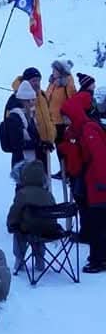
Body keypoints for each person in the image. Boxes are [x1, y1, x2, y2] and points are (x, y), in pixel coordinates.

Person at [60, 90, 106, 272]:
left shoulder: (88, 130)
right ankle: (98, 256)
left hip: (97, 183)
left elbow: (100, 157)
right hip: (90, 182)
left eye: (66, 117)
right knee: (95, 220)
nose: (64, 121)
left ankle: (99, 260)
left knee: (98, 222)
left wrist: (102, 182)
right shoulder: (77, 130)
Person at [7, 159, 58, 275]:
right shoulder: (48, 194)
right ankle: (40, 259)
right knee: (39, 226)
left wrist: (11, 225)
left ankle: (19, 259)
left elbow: (14, 213)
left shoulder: (22, 194)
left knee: (20, 231)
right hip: (49, 229)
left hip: (29, 229)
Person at [6, 68, 56, 155]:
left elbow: (50, 117)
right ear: (25, 82)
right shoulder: (15, 99)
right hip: (24, 152)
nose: (37, 83)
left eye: (38, 80)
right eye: (34, 81)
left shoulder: (43, 96)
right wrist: (38, 144)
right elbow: (10, 128)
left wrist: (51, 135)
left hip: (44, 147)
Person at [3, 80, 43, 170]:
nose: (33, 102)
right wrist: (37, 143)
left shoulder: (30, 115)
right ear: (24, 101)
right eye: (31, 100)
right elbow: (17, 144)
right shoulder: (15, 117)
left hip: (30, 160)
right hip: (21, 161)